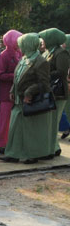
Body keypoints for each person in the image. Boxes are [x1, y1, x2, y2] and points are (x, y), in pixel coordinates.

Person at [0, 33, 54, 164]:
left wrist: (29, 92)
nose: (19, 47)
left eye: (22, 44)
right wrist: (13, 89)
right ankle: (13, 154)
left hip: (31, 101)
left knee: (31, 129)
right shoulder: (24, 58)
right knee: (15, 127)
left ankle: (32, 155)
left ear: (28, 44)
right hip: (19, 99)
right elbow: (17, 76)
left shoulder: (41, 61)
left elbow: (44, 83)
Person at [39, 28, 69, 157]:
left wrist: (44, 74)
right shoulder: (47, 52)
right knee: (49, 121)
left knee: (54, 121)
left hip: (58, 91)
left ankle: (53, 148)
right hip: (49, 89)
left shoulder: (61, 53)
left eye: (44, 39)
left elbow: (62, 72)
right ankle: (53, 147)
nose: (42, 42)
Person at [0, 30, 23, 154]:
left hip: (18, 92)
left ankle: (13, 143)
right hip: (6, 92)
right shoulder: (4, 55)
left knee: (15, 119)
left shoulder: (20, 53)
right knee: (4, 119)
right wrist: (16, 75)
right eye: (17, 39)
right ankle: (2, 144)